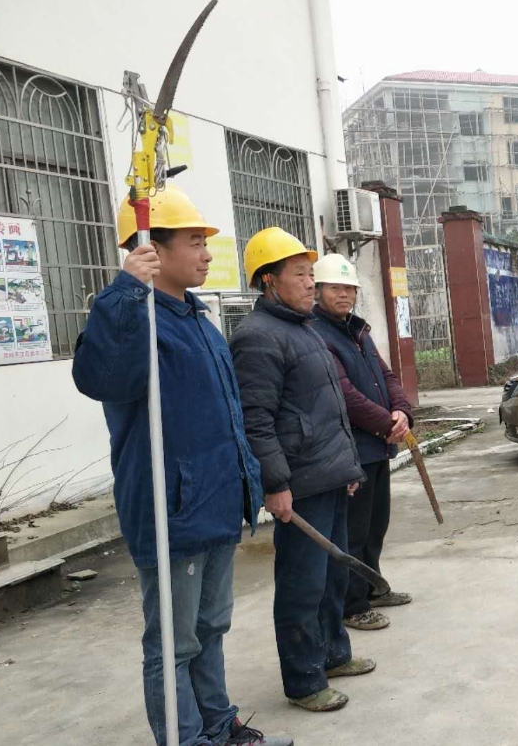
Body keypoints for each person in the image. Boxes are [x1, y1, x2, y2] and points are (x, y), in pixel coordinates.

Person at [72, 186, 292, 746]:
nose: (206, 253)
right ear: (153, 247)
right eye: (195, 242)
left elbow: (230, 418)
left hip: (215, 504)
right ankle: (186, 739)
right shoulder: (134, 319)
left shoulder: (198, 318)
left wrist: (251, 485)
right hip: (173, 509)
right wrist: (124, 292)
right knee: (174, 642)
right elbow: (100, 378)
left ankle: (219, 725)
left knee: (210, 628)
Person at [228, 227, 370, 712]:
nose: (311, 283)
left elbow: (329, 408)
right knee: (302, 585)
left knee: (331, 577)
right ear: (268, 280)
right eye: (300, 274)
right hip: (299, 483)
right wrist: (275, 483)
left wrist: (347, 467)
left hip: (329, 474)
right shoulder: (257, 337)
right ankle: (305, 679)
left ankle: (333, 655)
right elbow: (256, 420)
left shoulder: (304, 329)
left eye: (311, 274)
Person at [310, 254, 414, 631]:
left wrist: (401, 411)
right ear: (318, 290)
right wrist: (388, 423)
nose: (344, 294)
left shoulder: (358, 332)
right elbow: (346, 395)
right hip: (351, 451)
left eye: (349, 288)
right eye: (335, 288)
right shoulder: (318, 335)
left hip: (378, 448)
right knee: (352, 532)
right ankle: (352, 605)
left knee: (374, 525)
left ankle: (372, 588)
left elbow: (388, 377)